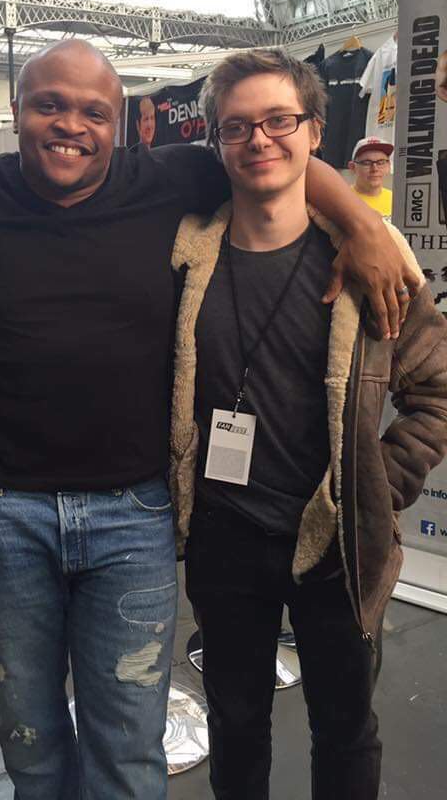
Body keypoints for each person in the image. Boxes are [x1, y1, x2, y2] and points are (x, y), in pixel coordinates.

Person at [0, 40, 420, 800]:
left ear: (120, 122)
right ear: (17, 112)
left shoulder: (166, 178)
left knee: (127, 749)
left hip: (132, 519)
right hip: (1, 519)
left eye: (94, 111)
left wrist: (361, 224)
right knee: (30, 743)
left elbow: (275, 154)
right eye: (50, 105)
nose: (70, 124)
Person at [169, 49, 447, 800]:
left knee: (346, 728)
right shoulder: (184, 259)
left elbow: (438, 387)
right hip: (223, 540)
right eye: (237, 127)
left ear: (315, 131)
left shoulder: (371, 266)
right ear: (216, 141)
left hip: (339, 545)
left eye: (278, 121)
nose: (258, 139)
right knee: (235, 725)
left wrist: (380, 481)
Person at [348, 136, 393, 219]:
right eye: (367, 163)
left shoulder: (397, 201)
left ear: (389, 166)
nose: (375, 169)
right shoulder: (343, 199)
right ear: (352, 167)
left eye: (381, 162)